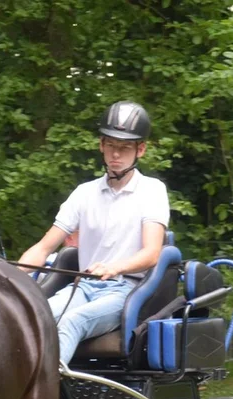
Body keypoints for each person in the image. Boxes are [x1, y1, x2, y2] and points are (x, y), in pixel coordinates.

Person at [20, 101, 169, 367]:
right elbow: (44, 248)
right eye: (111, 145)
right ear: (101, 145)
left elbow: (152, 253)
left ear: (141, 150)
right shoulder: (84, 193)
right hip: (84, 286)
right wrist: (11, 275)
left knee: (71, 322)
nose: (116, 154)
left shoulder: (152, 190)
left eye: (125, 147)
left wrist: (114, 267)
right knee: (34, 318)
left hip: (127, 291)